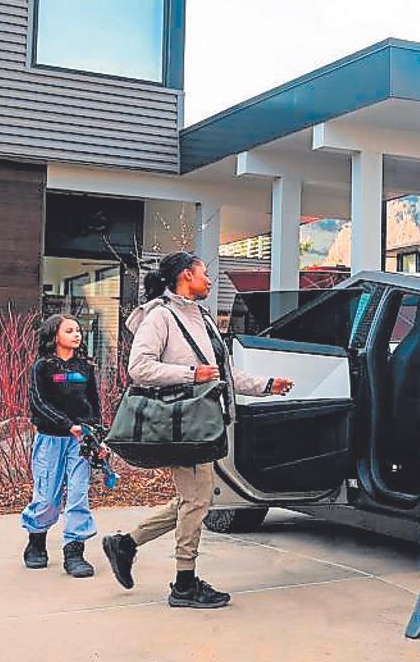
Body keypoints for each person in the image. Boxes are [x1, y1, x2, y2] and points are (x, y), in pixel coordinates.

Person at [101, 252, 294, 609]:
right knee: (197, 500)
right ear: (187, 275)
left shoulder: (201, 317)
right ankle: (184, 584)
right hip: (182, 423)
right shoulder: (160, 316)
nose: (209, 280)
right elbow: (139, 368)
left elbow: (220, 373)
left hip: (203, 424)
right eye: (205, 274)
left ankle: (125, 544)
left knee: (193, 499)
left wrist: (267, 385)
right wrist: (190, 374)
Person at [22, 314, 101, 577]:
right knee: (47, 496)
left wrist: (96, 433)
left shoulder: (86, 367)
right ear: (54, 335)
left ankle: (74, 552)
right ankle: (36, 542)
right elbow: (39, 404)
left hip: (81, 441)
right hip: (51, 439)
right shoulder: (43, 366)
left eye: (78, 330)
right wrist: (68, 424)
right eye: (69, 330)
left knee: (78, 494)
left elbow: (94, 402)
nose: (77, 335)